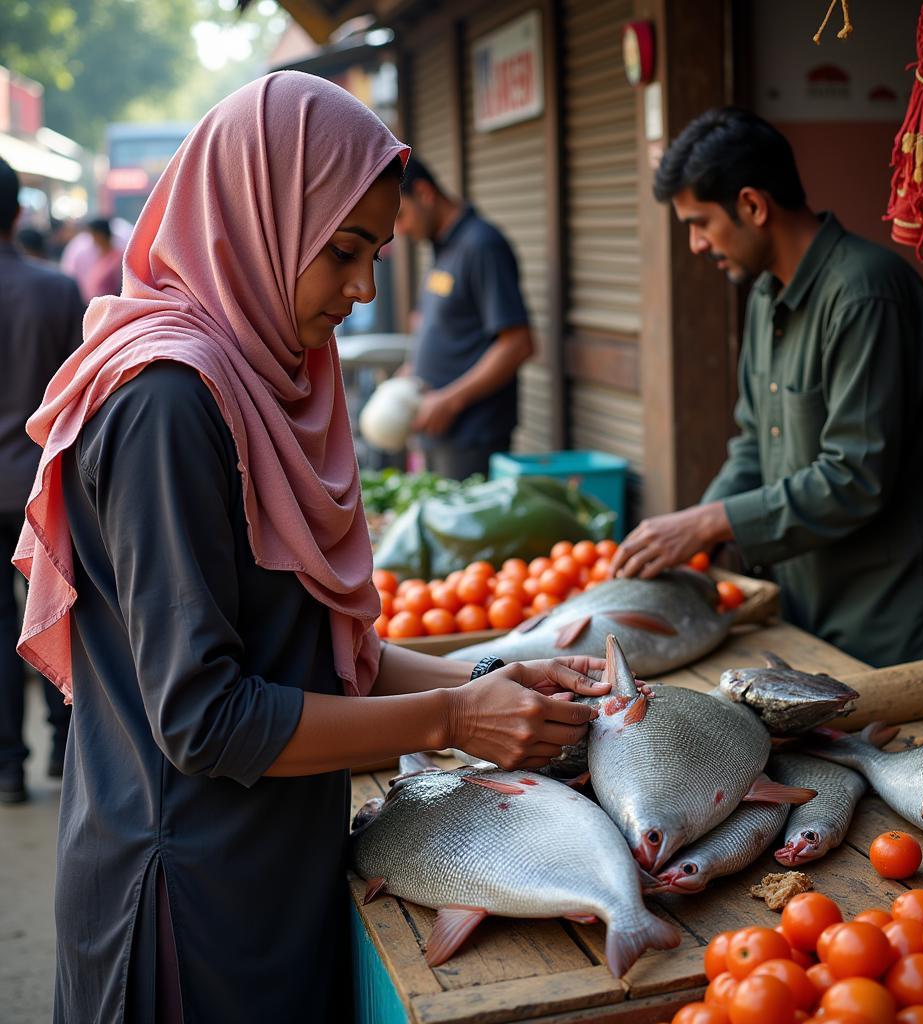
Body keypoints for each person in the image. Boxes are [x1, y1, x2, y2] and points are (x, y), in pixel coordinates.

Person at [15, 73, 608, 1023]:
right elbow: (207, 718)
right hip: (184, 907)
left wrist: (494, 672)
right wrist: (453, 719)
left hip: (263, 869)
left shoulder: (255, 381)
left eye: (377, 251)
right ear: (257, 218)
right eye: (343, 251)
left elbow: (314, 656)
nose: (365, 287)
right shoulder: (169, 404)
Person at [610, 107, 923, 728]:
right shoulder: (766, 297)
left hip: (908, 627)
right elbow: (751, 446)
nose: (696, 244)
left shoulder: (866, 293)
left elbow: (854, 477)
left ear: (753, 205)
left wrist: (708, 522)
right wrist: (694, 543)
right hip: (819, 618)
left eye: (701, 223)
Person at [0, 158, 81, 804]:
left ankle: (6, 768)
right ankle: (64, 746)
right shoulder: (56, 292)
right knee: (59, 609)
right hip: (43, 487)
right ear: (18, 214)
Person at [394, 157, 534, 479]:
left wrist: (450, 401)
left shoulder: (481, 246)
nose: (400, 231)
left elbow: (518, 345)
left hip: (472, 436)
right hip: (438, 433)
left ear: (425, 193)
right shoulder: (443, 247)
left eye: (401, 216)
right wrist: (412, 371)